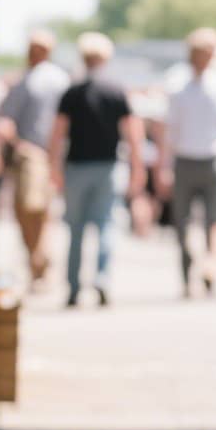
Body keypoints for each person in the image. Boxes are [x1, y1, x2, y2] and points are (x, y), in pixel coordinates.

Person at [48, 32, 145, 307]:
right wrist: (137, 167)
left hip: (77, 166)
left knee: (75, 230)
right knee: (105, 226)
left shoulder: (72, 92)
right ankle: (101, 278)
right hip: (108, 167)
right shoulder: (116, 90)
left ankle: (74, 286)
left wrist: (53, 167)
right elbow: (132, 133)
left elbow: (57, 134)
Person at [158, 27, 216, 297]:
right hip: (212, 161)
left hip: (190, 161)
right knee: (214, 221)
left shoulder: (177, 84)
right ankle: (210, 264)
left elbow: (168, 133)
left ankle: (192, 274)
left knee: (185, 223)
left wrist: (164, 167)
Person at [0, 31, 72, 284]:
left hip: (37, 153)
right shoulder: (29, 80)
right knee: (30, 209)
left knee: (34, 207)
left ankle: (38, 256)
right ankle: (36, 256)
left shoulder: (45, 80)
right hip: (32, 152)